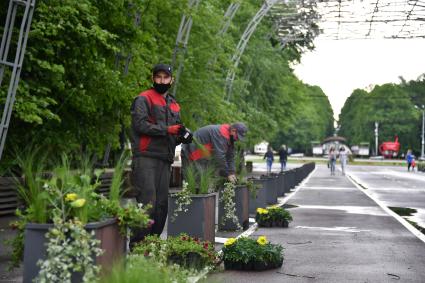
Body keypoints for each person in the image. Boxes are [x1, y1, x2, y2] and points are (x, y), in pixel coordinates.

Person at [130, 63, 191, 244]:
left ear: (171, 80)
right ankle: (137, 246)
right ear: (153, 79)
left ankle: (152, 244)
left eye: (165, 78)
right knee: (147, 204)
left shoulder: (174, 104)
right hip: (146, 157)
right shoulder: (143, 99)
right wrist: (168, 130)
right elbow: (140, 125)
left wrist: (183, 136)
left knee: (161, 207)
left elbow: (174, 133)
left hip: (165, 159)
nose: (162, 80)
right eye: (158, 77)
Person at [181, 123, 248, 183]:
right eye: (237, 136)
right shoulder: (220, 135)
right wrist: (228, 174)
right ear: (233, 130)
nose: (237, 139)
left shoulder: (230, 137)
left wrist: (232, 172)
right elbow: (220, 156)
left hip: (202, 156)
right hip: (191, 153)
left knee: (203, 180)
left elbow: (230, 156)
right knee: (195, 181)